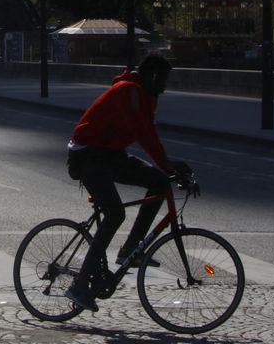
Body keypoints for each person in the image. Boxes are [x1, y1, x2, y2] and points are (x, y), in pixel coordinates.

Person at [63, 54, 191, 313]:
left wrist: (169, 169)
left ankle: (131, 248)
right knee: (115, 213)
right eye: (164, 80)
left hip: (110, 153)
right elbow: (143, 133)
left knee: (159, 182)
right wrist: (167, 163)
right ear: (153, 76)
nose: (166, 87)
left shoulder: (147, 96)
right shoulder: (129, 91)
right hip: (88, 154)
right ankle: (78, 286)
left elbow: (150, 132)